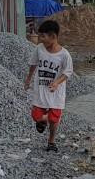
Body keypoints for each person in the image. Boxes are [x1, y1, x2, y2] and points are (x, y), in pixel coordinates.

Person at [24, 19, 73, 152]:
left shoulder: (64, 55)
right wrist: (28, 79)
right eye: (40, 36)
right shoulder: (39, 49)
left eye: (43, 36)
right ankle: (43, 119)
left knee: (54, 119)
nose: (40, 39)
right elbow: (33, 64)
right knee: (36, 116)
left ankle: (51, 141)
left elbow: (68, 72)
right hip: (40, 90)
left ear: (53, 37)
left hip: (56, 93)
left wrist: (57, 82)